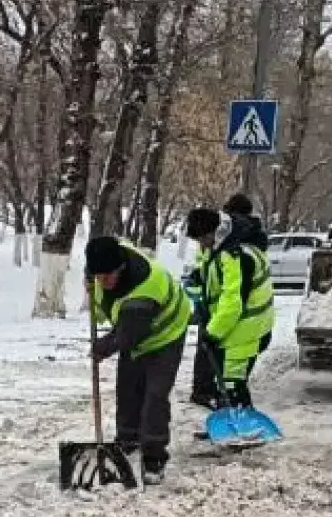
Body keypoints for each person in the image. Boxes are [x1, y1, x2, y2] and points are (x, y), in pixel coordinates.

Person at [86, 236, 191, 485]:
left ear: (121, 269)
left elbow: (127, 336)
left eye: (106, 276)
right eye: (97, 276)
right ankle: (127, 440)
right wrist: (91, 282)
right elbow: (110, 309)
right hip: (133, 331)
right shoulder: (107, 260)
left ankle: (154, 457)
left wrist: (103, 347)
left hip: (166, 335)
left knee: (155, 395)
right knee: (128, 388)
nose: (102, 282)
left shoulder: (143, 293)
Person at [185, 207, 275, 410]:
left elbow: (232, 302)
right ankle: (231, 423)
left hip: (245, 330)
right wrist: (199, 277)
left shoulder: (235, 255)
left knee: (232, 384)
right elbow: (216, 279)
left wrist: (213, 332)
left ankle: (242, 428)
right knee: (226, 384)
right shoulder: (221, 247)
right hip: (235, 328)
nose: (201, 244)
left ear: (214, 232)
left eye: (202, 238)